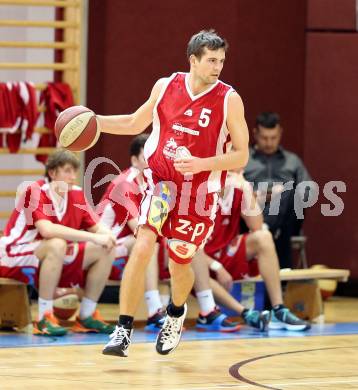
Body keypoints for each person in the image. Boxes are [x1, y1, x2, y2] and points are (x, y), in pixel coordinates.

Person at [96, 29, 250, 357]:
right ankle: (123, 329)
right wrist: (95, 122)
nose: (218, 66)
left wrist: (201, 163)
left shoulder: (228, 99)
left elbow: (242, 155)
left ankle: (176, 313)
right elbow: (136, 122)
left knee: (180, 263)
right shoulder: (166, 86)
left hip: (199, 194)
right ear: (193, 60)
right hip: (163, 184)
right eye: (211, 60)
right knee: (143, 245)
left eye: (221, 60)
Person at [0, 149, 116, 336]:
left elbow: (97, 227)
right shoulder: (35, 191)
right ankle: (45, 316)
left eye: (75, 171)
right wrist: (94, 237)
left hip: (47, 254)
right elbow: (47, 230)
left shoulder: (77, 195)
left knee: (106, 249)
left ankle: (86, 315)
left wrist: (108, 236)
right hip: (13, 253)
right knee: (57, 243)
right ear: (53, 173)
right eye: (67, 171)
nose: (73, 176)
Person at [192, 171, 310, 331]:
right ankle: (243, 312)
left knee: (264, 237)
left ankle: (278, 309)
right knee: (190, 261)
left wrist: (246, 189)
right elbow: (187, 245)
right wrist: (216, 267)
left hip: (226, 254)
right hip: (199, 260)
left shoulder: (237, 186)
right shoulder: (197, 186)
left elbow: (257, 226)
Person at [98, 134, 165, 331]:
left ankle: (206, 309)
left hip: (125, 249)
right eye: (147, 156)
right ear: (134, 160)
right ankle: (155, 310)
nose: (152, 161)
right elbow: (138, 228)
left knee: (182, 244)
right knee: (146, 242)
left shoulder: (153, 183)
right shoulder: (124, 184)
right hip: (105, 251)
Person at [244, 112, 312, 269]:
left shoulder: (292, 161)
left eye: (273, 138)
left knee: (290, 190)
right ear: (255, 134)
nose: (269, 143)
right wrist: (261, 195)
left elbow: (308, 192)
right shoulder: (244, 159)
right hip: (251, 215)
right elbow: (231, 189)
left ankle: (267, 228)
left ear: (280, 133)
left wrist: (281, 196)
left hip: (288, 217)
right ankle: (269, 230)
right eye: (264, 138)